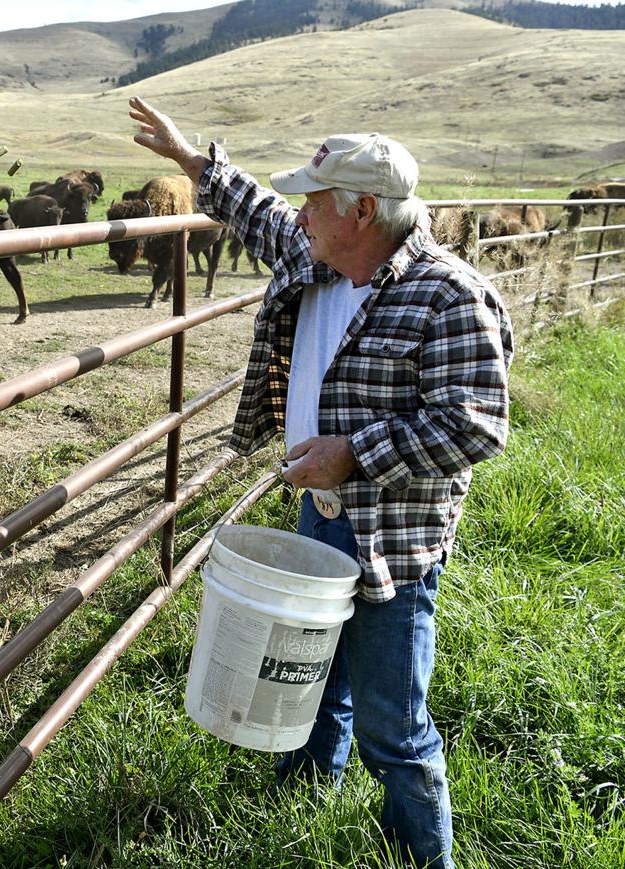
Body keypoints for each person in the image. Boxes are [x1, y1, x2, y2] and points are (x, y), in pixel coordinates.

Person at [129, 96, 514, 868]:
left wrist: (355, 453)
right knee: (317, 671)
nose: (301, 214)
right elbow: (261, 212)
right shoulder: (322, 254)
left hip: (389, 542)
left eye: (315, 200)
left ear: (364, 210)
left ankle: (420, 854)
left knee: (391, 718)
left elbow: (477, 424)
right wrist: (189, 161)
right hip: (323, 512)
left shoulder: (447, 295)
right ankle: (305, 797)